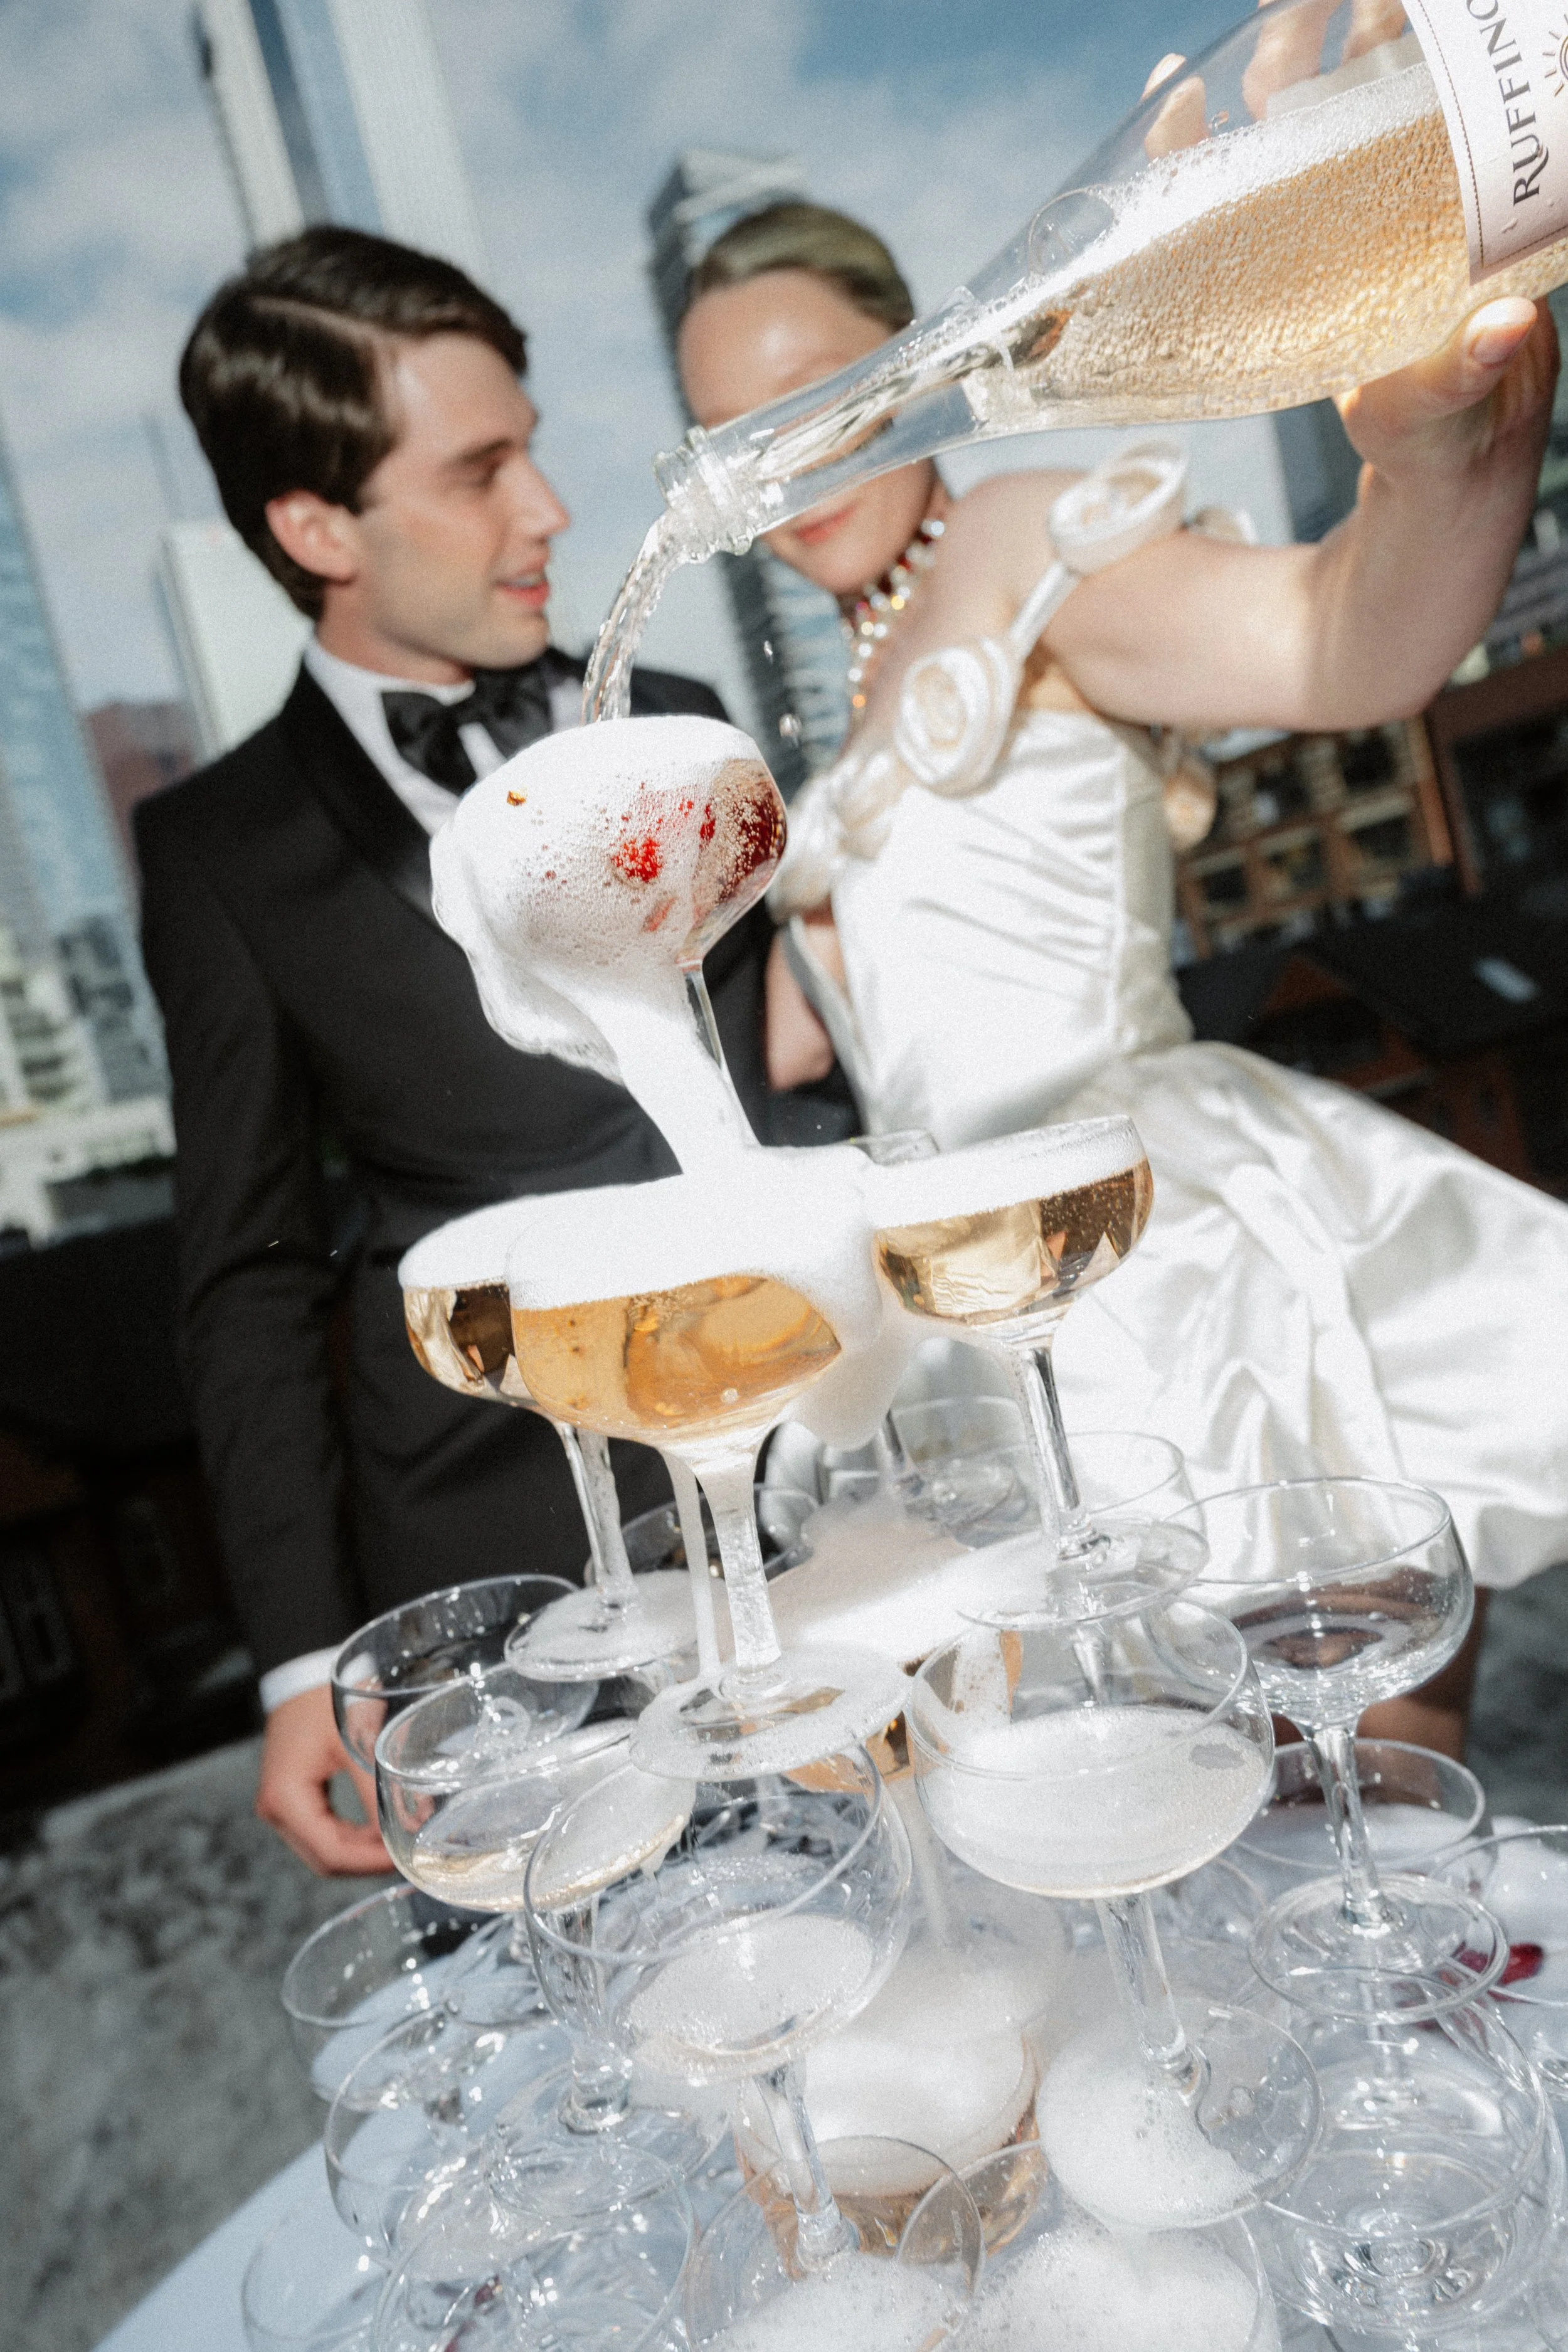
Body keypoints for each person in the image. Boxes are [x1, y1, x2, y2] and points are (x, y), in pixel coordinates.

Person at [676, 198, 1568, 1759]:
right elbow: (799, 1052)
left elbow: (1332, 642)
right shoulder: (865, 679)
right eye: (725, 427)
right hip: (960, 1299)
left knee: (1339, 1792)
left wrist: (1429, 460)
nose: (782, 454)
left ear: (920, 360)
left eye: (816, 393)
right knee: (1178, 1858)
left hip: (1148, 1257)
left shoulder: (1027, 544)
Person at [138, 227, 839, 1875]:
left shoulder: (661, 712)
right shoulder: (219, 849)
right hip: (504, 1560)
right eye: (482, 468)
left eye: (529, 444)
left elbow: (779, 1074)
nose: (549, 509)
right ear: (317, 526)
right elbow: (244, 1266)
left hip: (806, 1471)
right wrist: (307, 1655)